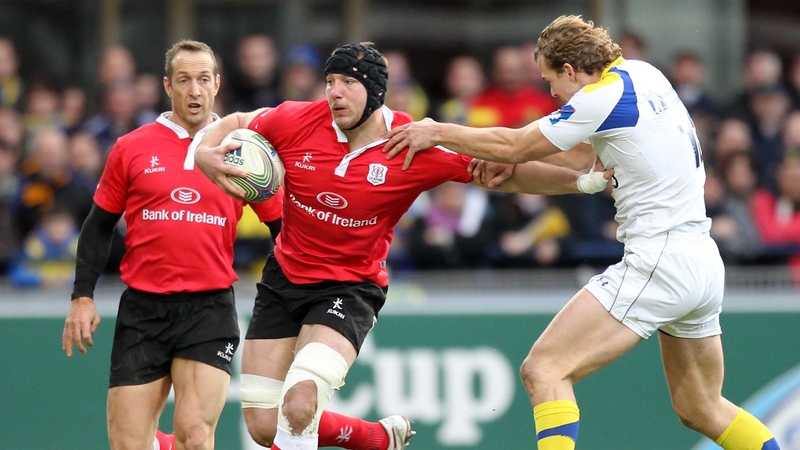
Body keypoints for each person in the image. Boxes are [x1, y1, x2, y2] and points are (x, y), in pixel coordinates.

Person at [383, 15, 781, 450]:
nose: (550, 93)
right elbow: (579, 158)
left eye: (551, 80)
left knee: (545, 369)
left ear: (571, 70)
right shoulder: (643, 73)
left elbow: (515, 144)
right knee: (701, 407)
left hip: (659, 260)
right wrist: (512, 166)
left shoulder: (601, 97)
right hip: (701, 261)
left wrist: (435, 130)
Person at [192, 42, 611, 450]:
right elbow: (237, 120)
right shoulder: (295, 119)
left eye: (348, 83)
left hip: (348, 288)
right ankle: (374, 438)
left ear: (375, 93)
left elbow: (506, 174)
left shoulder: (412, 142)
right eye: (330, 81)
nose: (335, 92)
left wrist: (582, 181)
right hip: (282, 279)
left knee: (300, 404)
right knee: (264, 426)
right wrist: (207, 152)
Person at [61, 40, 283, 450]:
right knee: (129, 444)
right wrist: (82, 297)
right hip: (143, 310)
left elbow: (283, 231)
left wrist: (302, 297)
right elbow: (98, 226)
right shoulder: (131, 147)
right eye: (184, 80)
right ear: (168, 85)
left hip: (209, 310)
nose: (194, 90)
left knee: (196, 437)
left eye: (202, 80)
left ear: (217, 84)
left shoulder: (245, 152)